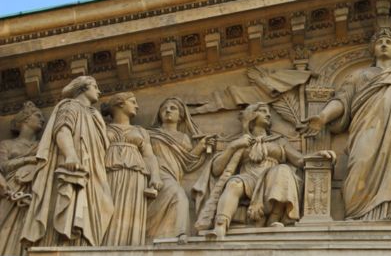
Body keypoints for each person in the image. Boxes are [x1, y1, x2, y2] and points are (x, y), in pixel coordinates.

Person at [304, 28, 391, 221]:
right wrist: (322, 116)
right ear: (373, 49)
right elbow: (342, 100)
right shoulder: (359, 76)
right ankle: (359, 214)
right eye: (380, 42)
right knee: (360, 162)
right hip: (366, 130)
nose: (383, 45)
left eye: (388, 42)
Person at [21, 76, 114, 248]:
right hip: (75, 164)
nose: (99, 91)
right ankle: (65, 243)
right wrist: (70, 155)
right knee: (71, 201)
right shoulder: (70, 106)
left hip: (94, 168)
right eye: (95, 86)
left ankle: (85, 242)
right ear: (83, 88)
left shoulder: (94, 114)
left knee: (102, 204)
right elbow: (62, 130)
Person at [195, 103, 304, 239]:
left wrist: (319, 155)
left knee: (283, 170)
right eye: (263, 111)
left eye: (268, 112)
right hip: (248, 178)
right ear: (251, 115)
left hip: (272, 179)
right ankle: (220, 226)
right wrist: (233, 147)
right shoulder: (240, 141)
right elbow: (217, 170)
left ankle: (273, 220)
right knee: (234, 183)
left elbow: (299, 160)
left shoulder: (279, 141)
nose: (268, 115)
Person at [102, 92, 162, 246]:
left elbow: (149, 156)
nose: (137, 106)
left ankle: (129, 247)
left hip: (136, 175)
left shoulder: (141, 131)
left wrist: (155, 176)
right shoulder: (102, 128)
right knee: (107, 209)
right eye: (133, 102)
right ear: (120, 103)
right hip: (108, 172)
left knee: (130, 212)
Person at [147, 97, 211, 240]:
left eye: (173, 108)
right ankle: (180, 233)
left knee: (175, 196)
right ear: (159, 114)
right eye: (164, 108)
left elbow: (187, 161)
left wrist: (201, 147)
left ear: (181, 115)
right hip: (155, 173)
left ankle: (160, 234)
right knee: (179, 196)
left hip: (174, 174)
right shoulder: (150, 134)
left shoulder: (184, 138)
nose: (168, 110)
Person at [0, 102, 45, 256]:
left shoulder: (42, 146)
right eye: (38, 115)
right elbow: (3, 166)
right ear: (25, 119)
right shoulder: (6, 144)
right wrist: (27, 160)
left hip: (34, 189)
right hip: (11, 189)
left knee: (27, 222)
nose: (42, 120)